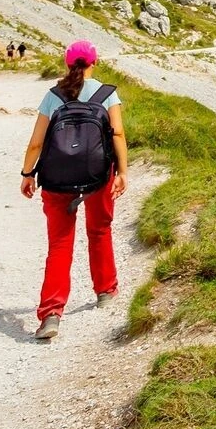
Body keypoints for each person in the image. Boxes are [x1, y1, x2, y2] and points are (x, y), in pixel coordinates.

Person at [18, 40, 128, 340]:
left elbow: (37, 142)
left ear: (68, 64)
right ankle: (105, 291)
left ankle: (51, 314)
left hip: (57, 179)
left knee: (59, 244)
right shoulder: (108, 93)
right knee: (100, 230)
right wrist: (122, 171)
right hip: (99, 174)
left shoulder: (53, 95)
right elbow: (117, 133)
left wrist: (28, 173)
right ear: (95, 62)